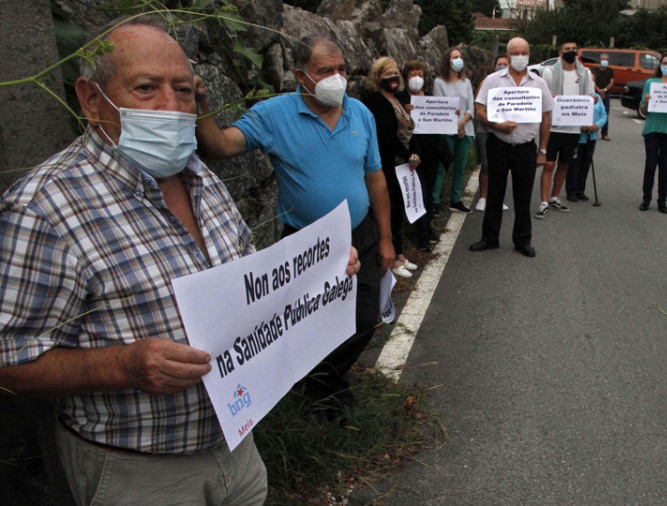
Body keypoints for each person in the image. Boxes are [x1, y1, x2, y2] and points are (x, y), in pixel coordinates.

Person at [0, 18, 354, 505]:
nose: (170, 107)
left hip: (237, 447)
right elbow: (12, 358)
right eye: (146, 88)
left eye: (184, 91)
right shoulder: (44, 207)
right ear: (91, 97)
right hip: (139, 472)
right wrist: (124, 365)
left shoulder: (201, 178)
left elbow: (249, 282)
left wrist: (319, 269)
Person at [195, 35, 390, 403]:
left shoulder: (360, 113)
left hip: (360, 233)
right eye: (325, 70)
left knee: (364, 318)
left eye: (342, 68)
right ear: (301, 75)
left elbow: (376, 178)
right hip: (307, 242)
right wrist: (201, 102)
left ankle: (322, 384)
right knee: (312, 324)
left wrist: (385, 239)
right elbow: (220, 145)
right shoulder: (274, 114)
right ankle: (317, 394)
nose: (338, 77)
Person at [469, 36, 552, 257]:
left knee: (523, 197)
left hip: (526, 147)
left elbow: (546, 117)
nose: (520, 57)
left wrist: (543, 149)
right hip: (499, 144)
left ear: (529, 55)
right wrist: (497, 124)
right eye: (516, 53)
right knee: (494, 194)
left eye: (524, 53)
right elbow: (479, 110)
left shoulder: (539, 83)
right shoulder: (493, 80)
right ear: (508, 55)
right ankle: (489, 238)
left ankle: (522, 240)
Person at [362, 57, 421, 278]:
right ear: (377, 77)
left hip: (403, 165)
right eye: (387, 74)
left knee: (399, 209)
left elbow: (408, 131)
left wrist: (414, 153)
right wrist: (408, 154)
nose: (393, 78)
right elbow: (386, 137)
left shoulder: (397, 98)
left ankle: (400, 253)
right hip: (388, 164)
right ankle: (392, 258)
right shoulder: (376, 101)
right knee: (391, 208)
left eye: (395, 74)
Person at [536, 39, 594, 219]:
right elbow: (543, 97)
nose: (571, 52)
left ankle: (555, 197)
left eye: (574, 49)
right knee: (549, 164)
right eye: (567, 49)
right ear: (560, 53)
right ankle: (544, 201)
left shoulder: (585, 73)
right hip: (553, 126)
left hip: (574, 128)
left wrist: (591, 102)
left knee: (564, 164)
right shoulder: (549, 73)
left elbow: (591, 96)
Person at [398, 59, 448, 251]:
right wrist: (405, 112)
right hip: (412, 153)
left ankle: (426, 227)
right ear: (406, 77)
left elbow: (440, 119)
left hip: (432, 151)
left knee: (429, 190)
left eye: (420, 74)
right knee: (418, 193)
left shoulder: (429, 98)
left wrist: (451, 114)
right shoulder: (401, 99)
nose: (416, 78)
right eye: (412, 75)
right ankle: (422, 235)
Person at [638, 52, 667, 214]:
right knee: (650, 163)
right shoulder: (651, 83)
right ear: (660, 65)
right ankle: (646, 198)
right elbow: (643, 108)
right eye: (665, 63)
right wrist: (648, 101)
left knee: (664, 166)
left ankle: (662, 200)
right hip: (652, 127)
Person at [433, 47, 476, 214]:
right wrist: (455, 126)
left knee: (460, 166)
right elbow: (440, 106)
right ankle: (435, 199)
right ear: (447, 61)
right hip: (447, 129)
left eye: (459, 57)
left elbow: (470, 107)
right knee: (442, 165)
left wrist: (462, 123)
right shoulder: (439, 83)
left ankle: (456, 199)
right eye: (454, 57)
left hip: (466, 129)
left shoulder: (466, 83)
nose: (457, 59)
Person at [473, 54, 511, 213]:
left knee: (500, 166)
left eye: (504, 63)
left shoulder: (511, 84)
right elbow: (478, 106)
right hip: (486, 129)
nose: (501, 66)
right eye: (499, 63)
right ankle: (483, 197)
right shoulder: (487, 82)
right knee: (486, 164)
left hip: (504, 131)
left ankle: (497, 198)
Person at [566, 72, 607, 202]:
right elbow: (570, 114)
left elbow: (604, 115)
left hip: (592, 135)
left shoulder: (597, 97)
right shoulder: (577, 96)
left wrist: (597, 125)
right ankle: (571, 190)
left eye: (594, 80)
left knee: (586, 163)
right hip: (578, 136)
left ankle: (580, 189)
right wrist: (581, 125)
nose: (592, 82)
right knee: (575, 163)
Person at [592, 52, 615, 141]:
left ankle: (604, 134)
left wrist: (604, 90)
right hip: (595, 94)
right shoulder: (595, 70)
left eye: (606, 59)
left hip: (606, 94)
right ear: (599, 60)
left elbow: (611, 81)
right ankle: (592, 130)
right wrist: (599, 90)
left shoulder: (610, 70)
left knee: (605, 113)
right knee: (594, 112)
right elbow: (592, 81)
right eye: (603, 59)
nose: (604, 61)